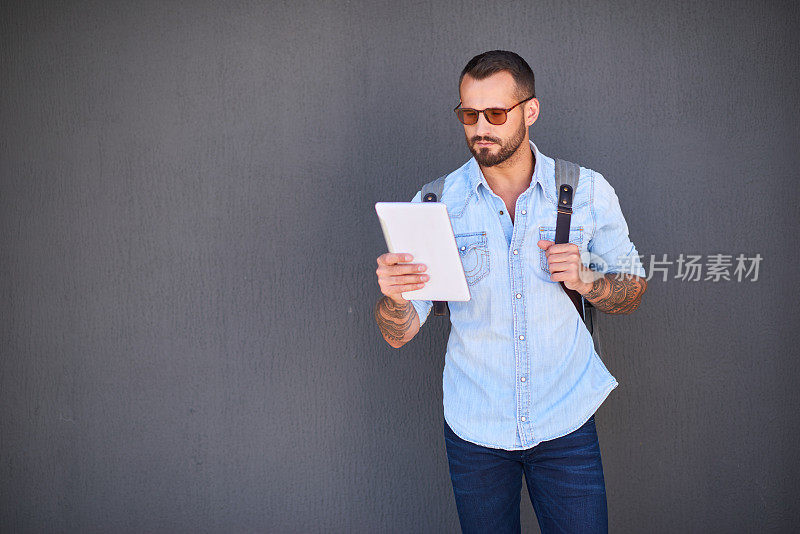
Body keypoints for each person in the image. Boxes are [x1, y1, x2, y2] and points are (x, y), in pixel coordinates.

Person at [373, 50, 648, 533]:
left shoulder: (585, 191)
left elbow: (633, 291)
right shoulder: (436, 204)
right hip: (475, 431)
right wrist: (395, 297)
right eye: (468, 114)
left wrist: (588, 281)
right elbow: (399, 333)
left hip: (566, 422)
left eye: (496, 114)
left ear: (530, 111)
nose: (481, 127)